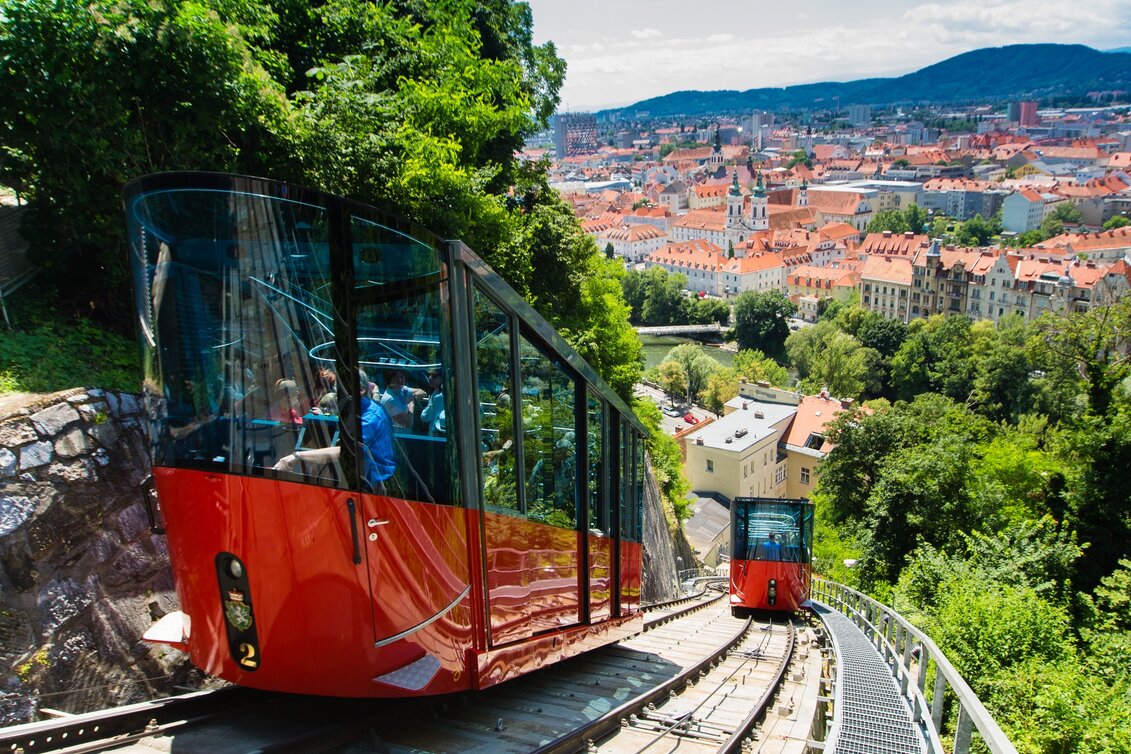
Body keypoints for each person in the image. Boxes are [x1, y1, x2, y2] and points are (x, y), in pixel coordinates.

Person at [420, 368, 446, 435]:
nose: (430, 378)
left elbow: (425, 417)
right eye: (429, 375)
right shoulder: (435, 392)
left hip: (437, 433)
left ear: (441, 377)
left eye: (434, 376)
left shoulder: (439, 397)